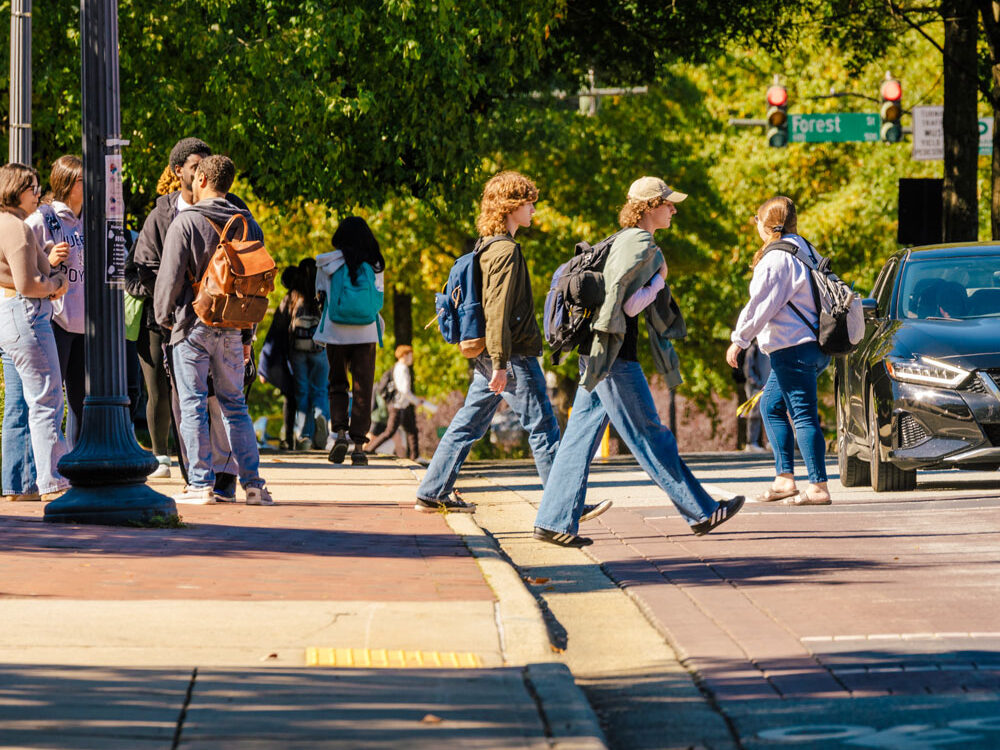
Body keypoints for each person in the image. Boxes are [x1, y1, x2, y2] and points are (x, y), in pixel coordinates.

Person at [533, 177, 743, 546]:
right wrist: (659, 282)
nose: (674, 209)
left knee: (577, 440)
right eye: (668, 203)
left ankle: (553, 522)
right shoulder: (643, 244)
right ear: (648, 207)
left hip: (595, 354)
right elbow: (627, 305)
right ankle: (702, 511)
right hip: (615, 359)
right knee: (650, 435)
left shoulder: (620, 239)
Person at [415, 171, 560, 513]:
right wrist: (501, 363)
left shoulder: (485, 247)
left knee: (469, 423)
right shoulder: (506, 251)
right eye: (529, 203)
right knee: (542, 426)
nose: (533, 210)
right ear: (511, 206)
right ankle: (562, 506)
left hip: (490, 353)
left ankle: (432, 490)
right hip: (512, 356)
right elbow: (497, 311)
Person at [153, 154, 273, 506]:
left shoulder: (185, 222)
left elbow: (169, 279)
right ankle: (253, 485)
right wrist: (248, 334)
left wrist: (165, 320)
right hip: (234, 327)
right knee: (235, 406)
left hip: (191, 325)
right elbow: (254, 284)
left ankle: (201, 484)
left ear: (202, 181)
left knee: (192, 403)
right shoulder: (249, 225)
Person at [128, 138, 246, 489]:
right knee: (186, 402)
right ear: (178, 171)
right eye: (195, 165)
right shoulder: (163, 215)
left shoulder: (237, 211)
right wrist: (173, 303)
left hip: (225, 322)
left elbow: (252, 266)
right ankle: (196, 477)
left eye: (206, 166)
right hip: (178, 325)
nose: (201, 172)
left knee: (222, 403)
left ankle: (225, 477)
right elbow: (141, 270)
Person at [726, 195, 831, 506]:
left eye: (757, 221)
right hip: (815, 345)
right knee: (771, 407)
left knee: (803, 416)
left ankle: (818, 487)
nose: (756, 227)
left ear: (767, 225)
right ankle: (784, 480)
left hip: (793, 347)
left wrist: (739, 339)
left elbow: (760, 305)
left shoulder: (777, 258)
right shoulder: (806, 250)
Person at [0, 163, 70, 500]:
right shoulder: (16, 226)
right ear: (15, 189)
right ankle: (53, 482)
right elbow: (30, 283)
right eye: (32, 188)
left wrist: (45, 270)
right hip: (27, 316)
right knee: (48, 400)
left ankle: (21, 485)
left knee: (20, 404)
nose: (38, 194)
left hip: (7, 316)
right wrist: (56, 284)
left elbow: (20, 273)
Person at [314, 216, 385, 466]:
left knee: (337, 384)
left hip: (335, 332)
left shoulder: (327, 263)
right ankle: (358, 446)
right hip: (366, 334)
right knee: (363, 388)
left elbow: (320, 297)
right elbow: (379, 300)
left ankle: (340, 432)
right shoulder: (375, 264)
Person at [26, 155, 85, 448]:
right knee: (51, 399)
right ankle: (47, 467)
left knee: (82, 402)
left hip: (87, 323)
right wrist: (47, 262)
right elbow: (16, 265)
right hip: (56, 320)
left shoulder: (92, 220)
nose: (89, 186)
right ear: (66, 183)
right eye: (82, 181)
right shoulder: (44, 219)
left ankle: (76, 465)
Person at [288, 258, 330, 450]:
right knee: (320, 390)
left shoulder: (295, 295)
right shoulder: (322, 292)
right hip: (320, 349)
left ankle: (303, 434)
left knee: (302, 392)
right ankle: (321, 416)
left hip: (298, 350)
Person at [257, 265, 298, 450]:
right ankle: (299, 434)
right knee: (300, 394)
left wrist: (264, 365)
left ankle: (289, 436)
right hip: (298, 355)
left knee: (291, 396)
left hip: (283, 358)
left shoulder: (288, 302)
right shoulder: (310, 300)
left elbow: (274, 335)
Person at [366, 344, 430, 459]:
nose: (412, 358)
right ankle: (369, 450)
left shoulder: (398, 367)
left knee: (411, 430)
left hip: (402, 406)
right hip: (397, 406)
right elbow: (404, 389)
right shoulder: (402, 368)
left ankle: (415, 455)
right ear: (404, 355)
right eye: (410, 355)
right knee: (389, 431)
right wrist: (416, 401)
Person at [742, 339, 770, 453]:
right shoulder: (753, 348)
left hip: (767, 385)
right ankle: (751, 443)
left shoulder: (770, 346)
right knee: (754, 414)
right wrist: (757, 383)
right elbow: (748, 370)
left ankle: (769, 442)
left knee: (770, 413)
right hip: (755, 387)